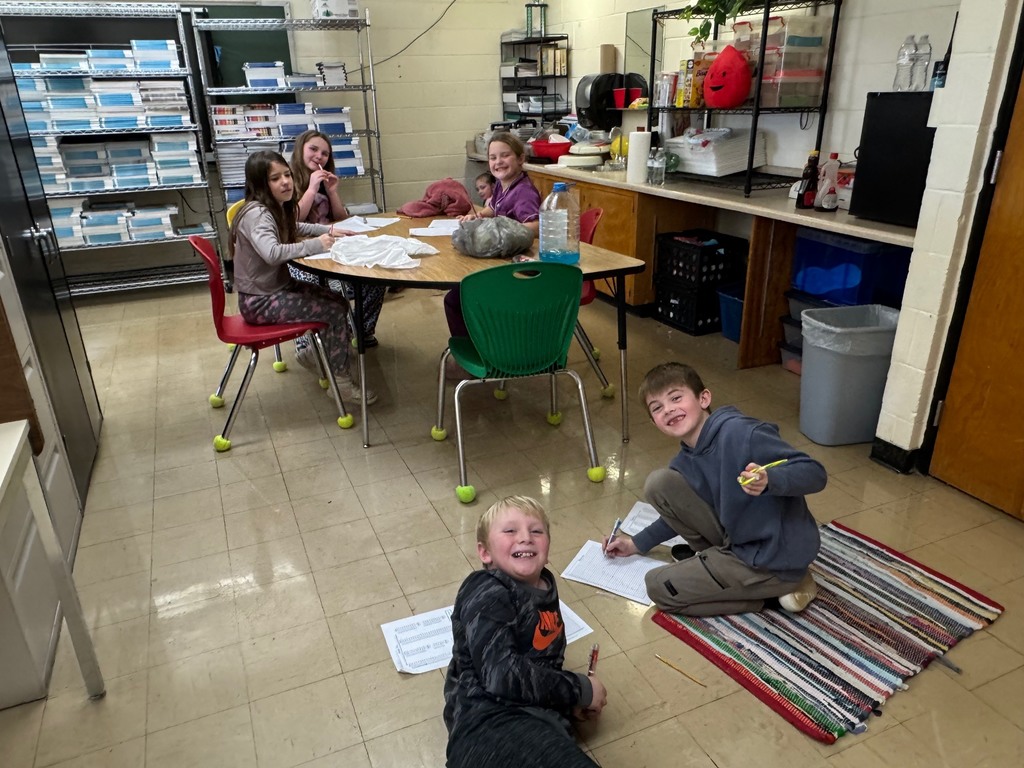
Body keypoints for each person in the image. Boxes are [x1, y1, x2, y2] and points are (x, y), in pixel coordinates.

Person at [604, 363, 826, 616]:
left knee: (658, 587)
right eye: (658, 408)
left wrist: (770, 479)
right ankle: (744, 582)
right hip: (740, 544)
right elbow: (681, 513)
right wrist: (636, 543)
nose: (669, 410)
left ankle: (769, 595)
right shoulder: (685, 460)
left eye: (676, 398)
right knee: (660, 483)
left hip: (773, 558)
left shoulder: (741, 433)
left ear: (704, 398)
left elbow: (815, 473)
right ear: (654, 422)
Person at [444, 496, 606, 768]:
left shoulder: (544, 587)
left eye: (536, 531)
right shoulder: (486, 589)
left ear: (548, 546)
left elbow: (540, 663)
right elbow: (501, 674)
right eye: (510, 531)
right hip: (489, 722)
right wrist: (579, 689)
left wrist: (564, 704)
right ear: (485, 553)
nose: (525, 538)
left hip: (537, 723)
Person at [230, 149, 376, 404]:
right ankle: (339, 383)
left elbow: (295, 226)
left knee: (338, 301)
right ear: (260, 184)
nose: (285, 181)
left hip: (275, 289)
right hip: (261, 300)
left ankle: (313, 355)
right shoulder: (258, 214)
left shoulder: (273, 208)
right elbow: (272, 253)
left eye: (286, 174)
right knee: (331, 310)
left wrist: (329, 230)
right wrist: (318, 244)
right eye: (275, 179)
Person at [289, 130, 387, 353]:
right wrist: (312, 188)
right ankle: (309, 343)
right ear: (300, 150)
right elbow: (293, 221)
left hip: (333, 247)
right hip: (303, 253)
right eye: (313, 149)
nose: (319, 156)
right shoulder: (288, 180)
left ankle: (360, 330)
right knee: (317, 284)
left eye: (324, 153)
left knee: (375, 278)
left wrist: (332, 192)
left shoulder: (324, 180)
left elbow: (342, 219)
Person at [445, 133, 541, 339]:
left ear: (521, 159)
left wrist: (505, 231)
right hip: (498, 259)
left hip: (516, 268)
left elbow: (535, 226)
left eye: (504, 156)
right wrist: (478, 216)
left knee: (456, 299)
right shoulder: (501, 185)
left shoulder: (524, 192)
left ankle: (478, 354)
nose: (498, 162)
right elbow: (494, 208)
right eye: (493, 157)